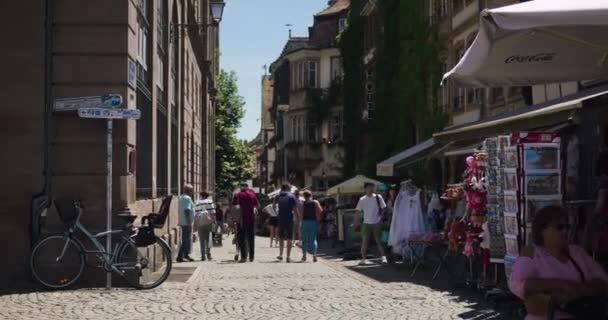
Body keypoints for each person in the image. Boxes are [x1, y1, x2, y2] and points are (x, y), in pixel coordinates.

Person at [509, 206, 608, 319]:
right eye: (560, 227)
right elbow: (518, 284)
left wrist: (580, 291)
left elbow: (603, 281)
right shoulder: (531, 253)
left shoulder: (577, 252)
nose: (565, 231)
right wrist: (562, 285)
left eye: (567, 227)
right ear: (542, 230)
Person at [354, 182, 388, 266]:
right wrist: (356, 222)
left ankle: (383, 257)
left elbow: (384, 208)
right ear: (365, 189)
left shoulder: (378, 197)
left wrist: (380, 218)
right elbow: (358, 211)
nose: (371, 189)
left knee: (378, 241)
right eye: (369, 187)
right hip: (366, 223)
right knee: (365, 242)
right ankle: (363, 259)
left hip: (376, 222)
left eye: (372, 187)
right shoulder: (362, 199)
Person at [231, 183, 258, 263]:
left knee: (241, 238)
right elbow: (256, 205)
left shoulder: (237, 195)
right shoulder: (252, 195)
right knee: (251, 238)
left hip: (241, 220)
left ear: (241, 187)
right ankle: (251, 257)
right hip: (251, 219)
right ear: (247, 187)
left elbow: (234, 207)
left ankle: (243, 257)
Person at [277, 184, 300, 262]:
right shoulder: (291, 196)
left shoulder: (279, 196)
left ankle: (280, 254)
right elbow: (295, 209)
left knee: (281, 237)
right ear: (287, 188)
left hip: (280, 219)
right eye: (290, 188)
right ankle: (288, 256)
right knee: (289, 238)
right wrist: (298, 219)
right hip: (289, 219)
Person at [300, 190, 322, 262]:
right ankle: (314, 255)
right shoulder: (315, 202)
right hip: (313, 222)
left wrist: (301, 223)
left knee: (304, 239)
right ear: (311, 195)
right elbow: (320, 210)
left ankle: (304, 256)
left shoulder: (303, 203)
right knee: (313, 239)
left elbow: (302, 214)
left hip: (305, 222)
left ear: (304, 196)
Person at [194, 191, 215, 261]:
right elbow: (212, 212)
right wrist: (214, 221)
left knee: (202, 240)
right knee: (208, 238)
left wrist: (195, 223)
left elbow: (196, 214)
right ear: (207, 196)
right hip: (208, 222)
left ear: (201, 195)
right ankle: (209, 254)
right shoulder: (210, 201)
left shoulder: (197, 202)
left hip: (200, 222)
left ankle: (203, 255)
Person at [177, 184, 195, 262]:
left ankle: (183, 255)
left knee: (185, 239)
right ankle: (183, 255)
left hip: (183, 221)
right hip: (186, 222)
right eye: (192, 190)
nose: (193, 192)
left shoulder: (182, 197)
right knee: (186, 239)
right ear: (189, 191)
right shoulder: (187, 198)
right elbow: (186, 211)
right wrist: (189, 223)